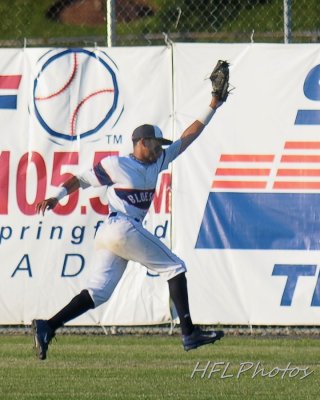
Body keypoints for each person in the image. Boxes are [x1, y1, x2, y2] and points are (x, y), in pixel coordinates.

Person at [32, 92, 225, 360]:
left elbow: (187, 138)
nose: (160, 149)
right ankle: (189, 332)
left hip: (114, 233)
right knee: (175, 267)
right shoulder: (117, 164)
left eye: (160, 146)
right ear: (142, 142)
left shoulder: (158, 161)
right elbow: (81, 179)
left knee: (98, 293)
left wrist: (212, 106)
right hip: (120, 227)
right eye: (156, 144)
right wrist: (57, 196)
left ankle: (48, 325)